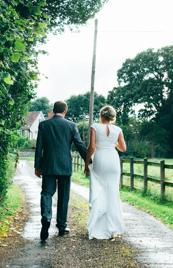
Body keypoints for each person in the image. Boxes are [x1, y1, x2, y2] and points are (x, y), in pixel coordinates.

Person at [34, 100, 87, 241]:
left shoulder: (44, 125)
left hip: (48, 165)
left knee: (46, 193)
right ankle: (61, 226)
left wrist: (37, 166)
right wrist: (89, 161)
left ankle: (46, 217)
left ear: (53, 109)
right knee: (63, 196)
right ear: (65, 111)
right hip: (64, 166)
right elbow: (80, 145)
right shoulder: (71, 125)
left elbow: (39, 147)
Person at [84, 105, 127, 240]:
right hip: (113, 160)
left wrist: (87, 163)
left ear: (101, 116)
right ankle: (113, 227)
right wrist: (113, 143)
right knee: (113, 192)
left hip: (101, 158)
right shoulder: (118, 130)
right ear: (113, 117)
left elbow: (92, 146)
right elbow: (123, 148)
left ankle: (98, 227)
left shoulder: (95, 127)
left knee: (98, 190)